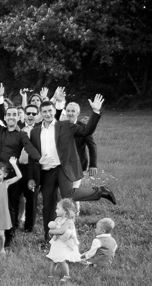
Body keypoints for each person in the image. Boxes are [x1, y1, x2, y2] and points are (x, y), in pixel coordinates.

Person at [28, 95, 115, 242]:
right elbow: (33, 156)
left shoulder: (65, 125)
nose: (48, 114)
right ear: (40, 114)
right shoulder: (35, 131)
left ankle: (100, 191)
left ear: (54, 110)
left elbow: (87, 131)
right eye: (44, 112)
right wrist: (31, 177)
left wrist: (95, 112)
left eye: (50, 111)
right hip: (46, 172)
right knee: (48, 206)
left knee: (69, 194)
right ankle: (48, 238)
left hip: (62, 168)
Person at [0, 82, 41, 246]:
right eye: (8, 115)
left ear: (18, 118)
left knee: (11, 204)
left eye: (14, 115)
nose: (10, 118)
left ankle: (9, 235)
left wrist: (38, 158)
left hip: (11, 176)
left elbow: (29, 147)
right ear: (6, 118)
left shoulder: (21, 134)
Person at [47, 198, 81, 281]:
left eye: (58, 208)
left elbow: (61, 231)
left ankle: (66, 276)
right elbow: (55, 229)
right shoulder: (57, 219)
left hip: (64, 244)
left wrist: (51, 231)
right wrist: (52, 230)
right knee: (54, 259)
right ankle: (51, 275)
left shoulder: (69, 221)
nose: (55, 210)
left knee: (61, 260)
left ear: (65, 211)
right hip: (57, 243)